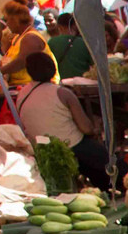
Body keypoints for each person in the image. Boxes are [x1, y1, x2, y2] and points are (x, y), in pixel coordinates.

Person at [14, 52, 109, 190]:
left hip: (40, 146)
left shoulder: (22, 93)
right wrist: (97, 127)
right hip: (68, 146)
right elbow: (86, 128)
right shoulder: (62, 93)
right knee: (105, 160)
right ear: (52, 69)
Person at [0, 0, 54, 88]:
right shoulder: (17, 37)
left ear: (15, 20)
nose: (7, 24)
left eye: (7, 20)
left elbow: (21, 62)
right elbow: (10, 60)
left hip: (35, 87)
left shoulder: (31, 37)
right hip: (20, 86)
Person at [48, 13, 93, 79]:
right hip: (81, 83)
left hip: (60, 82)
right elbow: (93, 64)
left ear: (59, 27)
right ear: (75, 26)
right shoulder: (85, 43)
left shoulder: (52, 42)